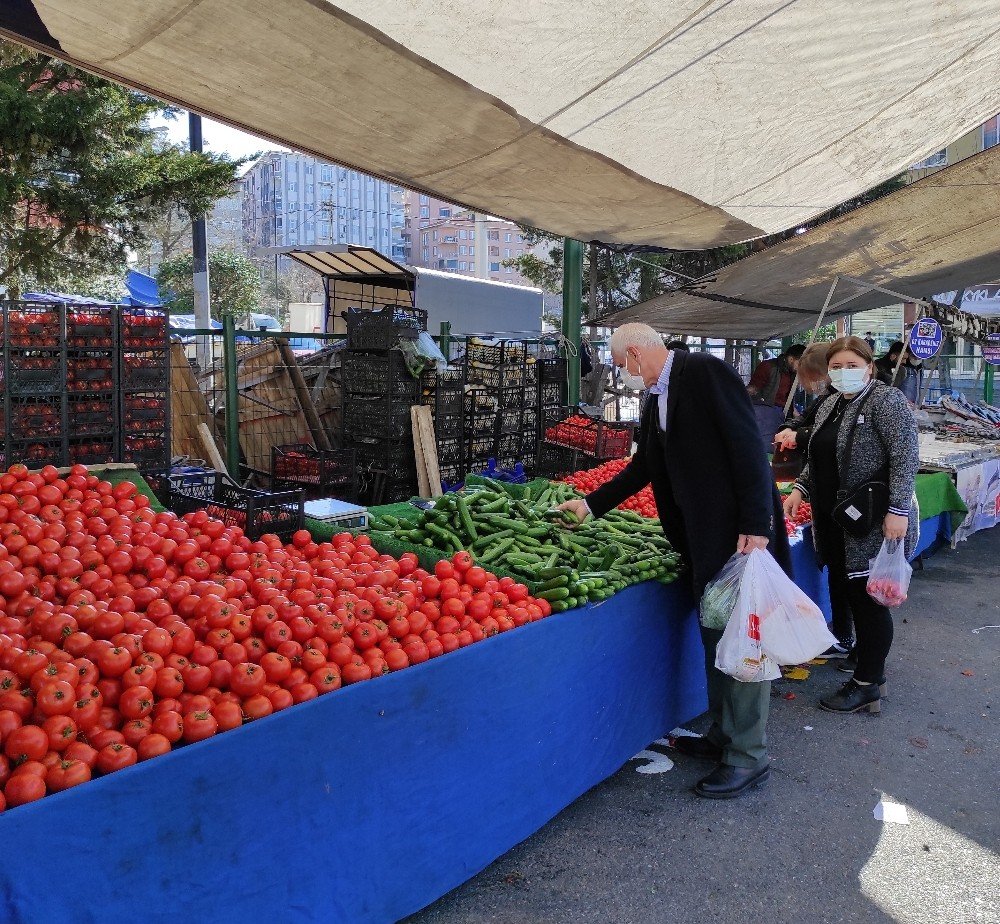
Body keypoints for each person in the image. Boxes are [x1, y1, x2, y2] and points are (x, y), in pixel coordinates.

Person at [558, 322, 791, 799]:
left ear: (636, 354)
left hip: (737, 536)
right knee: (715, 636)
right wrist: (590, 504)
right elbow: (644, 467)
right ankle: (723, 736)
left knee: (742, 642)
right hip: (701, 539)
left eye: (619, 362)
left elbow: (749, 447)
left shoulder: (705, 371)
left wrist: (756, 525)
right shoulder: (654, 399)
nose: (621, 372)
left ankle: (749, 757)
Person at [783, 337, 919, 715]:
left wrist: (898, 511)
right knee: (853, 593)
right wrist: (800, 487)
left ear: (869, 367)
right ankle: (870, 669)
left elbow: (905, 457)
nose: (844, 373)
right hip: (836, 519)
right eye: (836, 367)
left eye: (851, 365)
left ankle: (867, 685)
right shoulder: (830, 403)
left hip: (873, 519)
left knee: (869, 600)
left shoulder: (885, 401)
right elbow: (820, 454)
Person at [747, 344, 805, 408]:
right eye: (800, 363)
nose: (801, 367)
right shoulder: (767, 367)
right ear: (791, 359)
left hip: (784, 411)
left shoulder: (794, 373)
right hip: (766, 410)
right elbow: (752, 391)